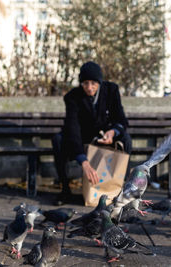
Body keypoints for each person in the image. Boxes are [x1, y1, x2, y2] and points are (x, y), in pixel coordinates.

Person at [52, 61, 132, 206]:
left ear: (100, 83)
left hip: (105, 135)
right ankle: (65, 190)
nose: (89, 87)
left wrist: (112, 132)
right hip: (82, 137)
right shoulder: (72, 97)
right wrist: (84, 161)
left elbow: (121, 119)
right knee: (58, 140)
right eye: (85, 83)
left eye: (93, 83)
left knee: (126, 139)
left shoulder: (111, 90)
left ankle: (121, 189)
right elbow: (73, 128)